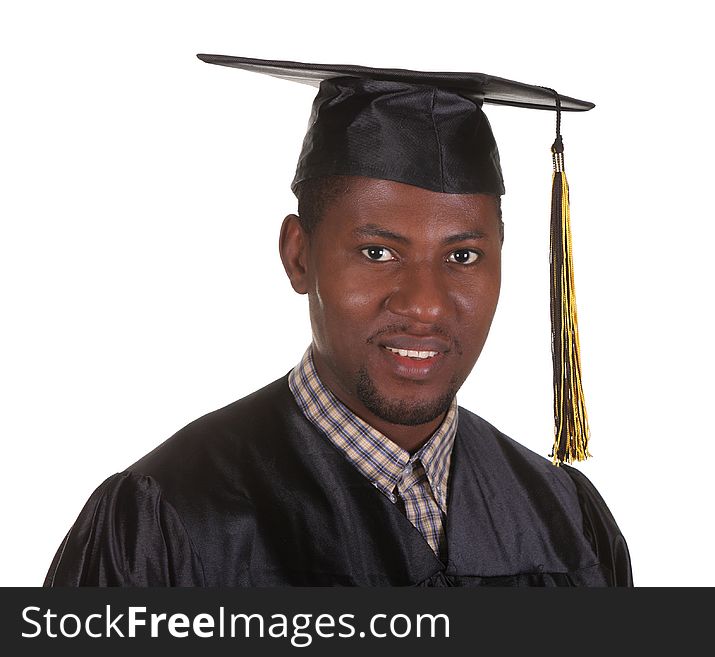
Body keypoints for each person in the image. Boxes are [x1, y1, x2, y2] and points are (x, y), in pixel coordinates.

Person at [44, 55, 633, 587]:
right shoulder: (167, 520)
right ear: (299, 255)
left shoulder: (565, 520)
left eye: (463, 256)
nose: (426, 304)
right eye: (378, 252)